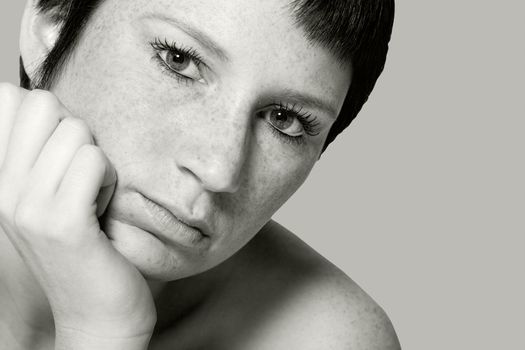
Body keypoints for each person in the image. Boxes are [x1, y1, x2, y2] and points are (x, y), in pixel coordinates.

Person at [0, 0, 399, 349]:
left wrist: (101, 333)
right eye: (180, 60)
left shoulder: (326, 338)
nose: (219, 170)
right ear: (53, 17)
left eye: (284, 120)